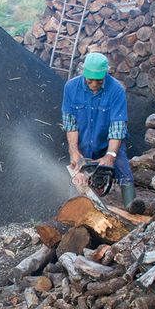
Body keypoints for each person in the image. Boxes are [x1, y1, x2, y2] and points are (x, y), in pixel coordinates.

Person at [61, 52, 138, 210]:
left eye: (98, 80)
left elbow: (117, 126)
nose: (94, 84)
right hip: (83, 142)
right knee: (78, 175)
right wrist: (74, 151)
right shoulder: (71, 87)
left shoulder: (116, 90)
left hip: (108, 141)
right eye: (90, 81)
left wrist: (110, 155)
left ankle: (132, 207)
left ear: (106, 73)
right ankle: (73, 207)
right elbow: (70, 124)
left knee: (124, 172)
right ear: (84, 72)